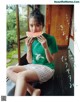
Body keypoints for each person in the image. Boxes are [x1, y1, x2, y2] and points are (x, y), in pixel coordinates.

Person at [7, 8, 58, 96]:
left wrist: (45, 47)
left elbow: (51, 61)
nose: (34, 29)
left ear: (43, 25)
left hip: (47, 68)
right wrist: (29, 47)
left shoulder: (50, 39)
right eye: (31, 25)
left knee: (21, 76)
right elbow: (30, 61)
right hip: (33, 66)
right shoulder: (30, 40)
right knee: (8, 70)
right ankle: (33, 90)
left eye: (37, 25)